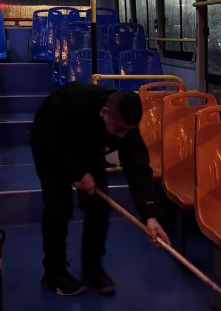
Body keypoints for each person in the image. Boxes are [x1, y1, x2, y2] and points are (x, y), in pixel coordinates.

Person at [29, 81, 170, 296]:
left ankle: (92, 269)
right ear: (104, 112)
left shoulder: (125, 126)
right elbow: (45, 139)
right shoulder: (73, 100)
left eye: (128, 130)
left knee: (98, 208)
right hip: (51, 145)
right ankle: (53, 273)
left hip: (86, 150)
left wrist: (150, 215)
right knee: (58, 208)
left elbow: (138, 168)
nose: (122, 136)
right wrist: (77, 173)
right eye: (119, 129)